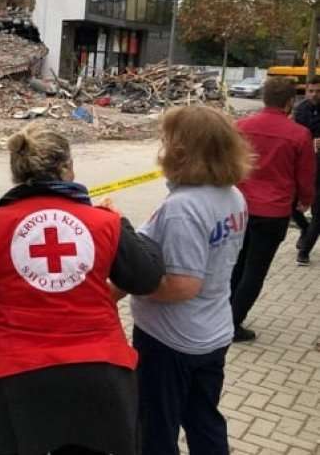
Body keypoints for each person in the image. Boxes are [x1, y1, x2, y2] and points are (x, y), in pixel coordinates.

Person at [0, 125, 165, 455]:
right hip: (97, 373)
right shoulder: (104, 223)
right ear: (66, 168)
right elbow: (146, 277)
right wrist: (122, 223)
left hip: (12, 375)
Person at [131, 106, 251, 455]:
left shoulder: (183, 207)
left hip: (171, 341)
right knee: (203, 420)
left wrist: (137, 284)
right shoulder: (232, 195)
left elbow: (184, 285)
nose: (163, 146)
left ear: (183, 149)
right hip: (213, 332)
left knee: (156, 427)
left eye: (168, 139)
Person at [231, 77, 315, 342]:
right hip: (273, 212)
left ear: (264, 98)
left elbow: (229, 164)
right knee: (255, 270)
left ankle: (221, 315)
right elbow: (305, 175)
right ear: (291, 102)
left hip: (239, 207)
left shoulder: (241, 127)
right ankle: (233, 324)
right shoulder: (299, 135)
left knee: (235, 265)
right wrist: (305, 199)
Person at [293, 76, 320, 265]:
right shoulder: (301, 109)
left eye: (318, 91)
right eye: (311, 91)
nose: (314, 95)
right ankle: (304, 227)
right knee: (291, 204)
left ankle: (304, 251)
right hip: (303, 164)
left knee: (318, 212)